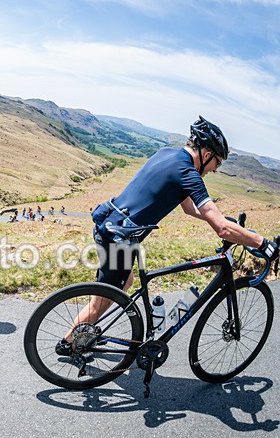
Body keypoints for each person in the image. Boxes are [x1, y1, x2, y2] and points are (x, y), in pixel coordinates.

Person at [57, 116, 279, 358]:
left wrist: (223, 219)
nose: (216, 169)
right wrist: (263, 244)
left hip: (113, 225)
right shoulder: (188, 173)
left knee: (124, 283)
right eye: (217, 162)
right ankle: (70, 343)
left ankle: (86, 328)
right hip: (118, 238)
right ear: (206, 154)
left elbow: (190, 208)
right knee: (106, 297)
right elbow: (222, 231)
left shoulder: (168, 155)